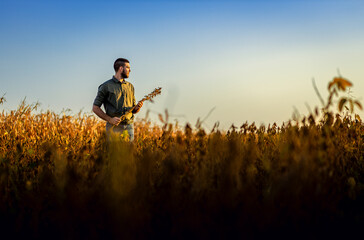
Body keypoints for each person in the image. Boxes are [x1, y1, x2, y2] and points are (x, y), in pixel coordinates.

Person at [92, 58, 143, 141]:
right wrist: (110, 119)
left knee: (129, 153)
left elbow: (133, 110)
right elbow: (95, 108)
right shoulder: (106, 86)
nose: (130, 70)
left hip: (129, 127)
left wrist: (137, 108)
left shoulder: (130, 87)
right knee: (114, 153)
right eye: (128, 68)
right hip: (114, 128)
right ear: (121, 68)